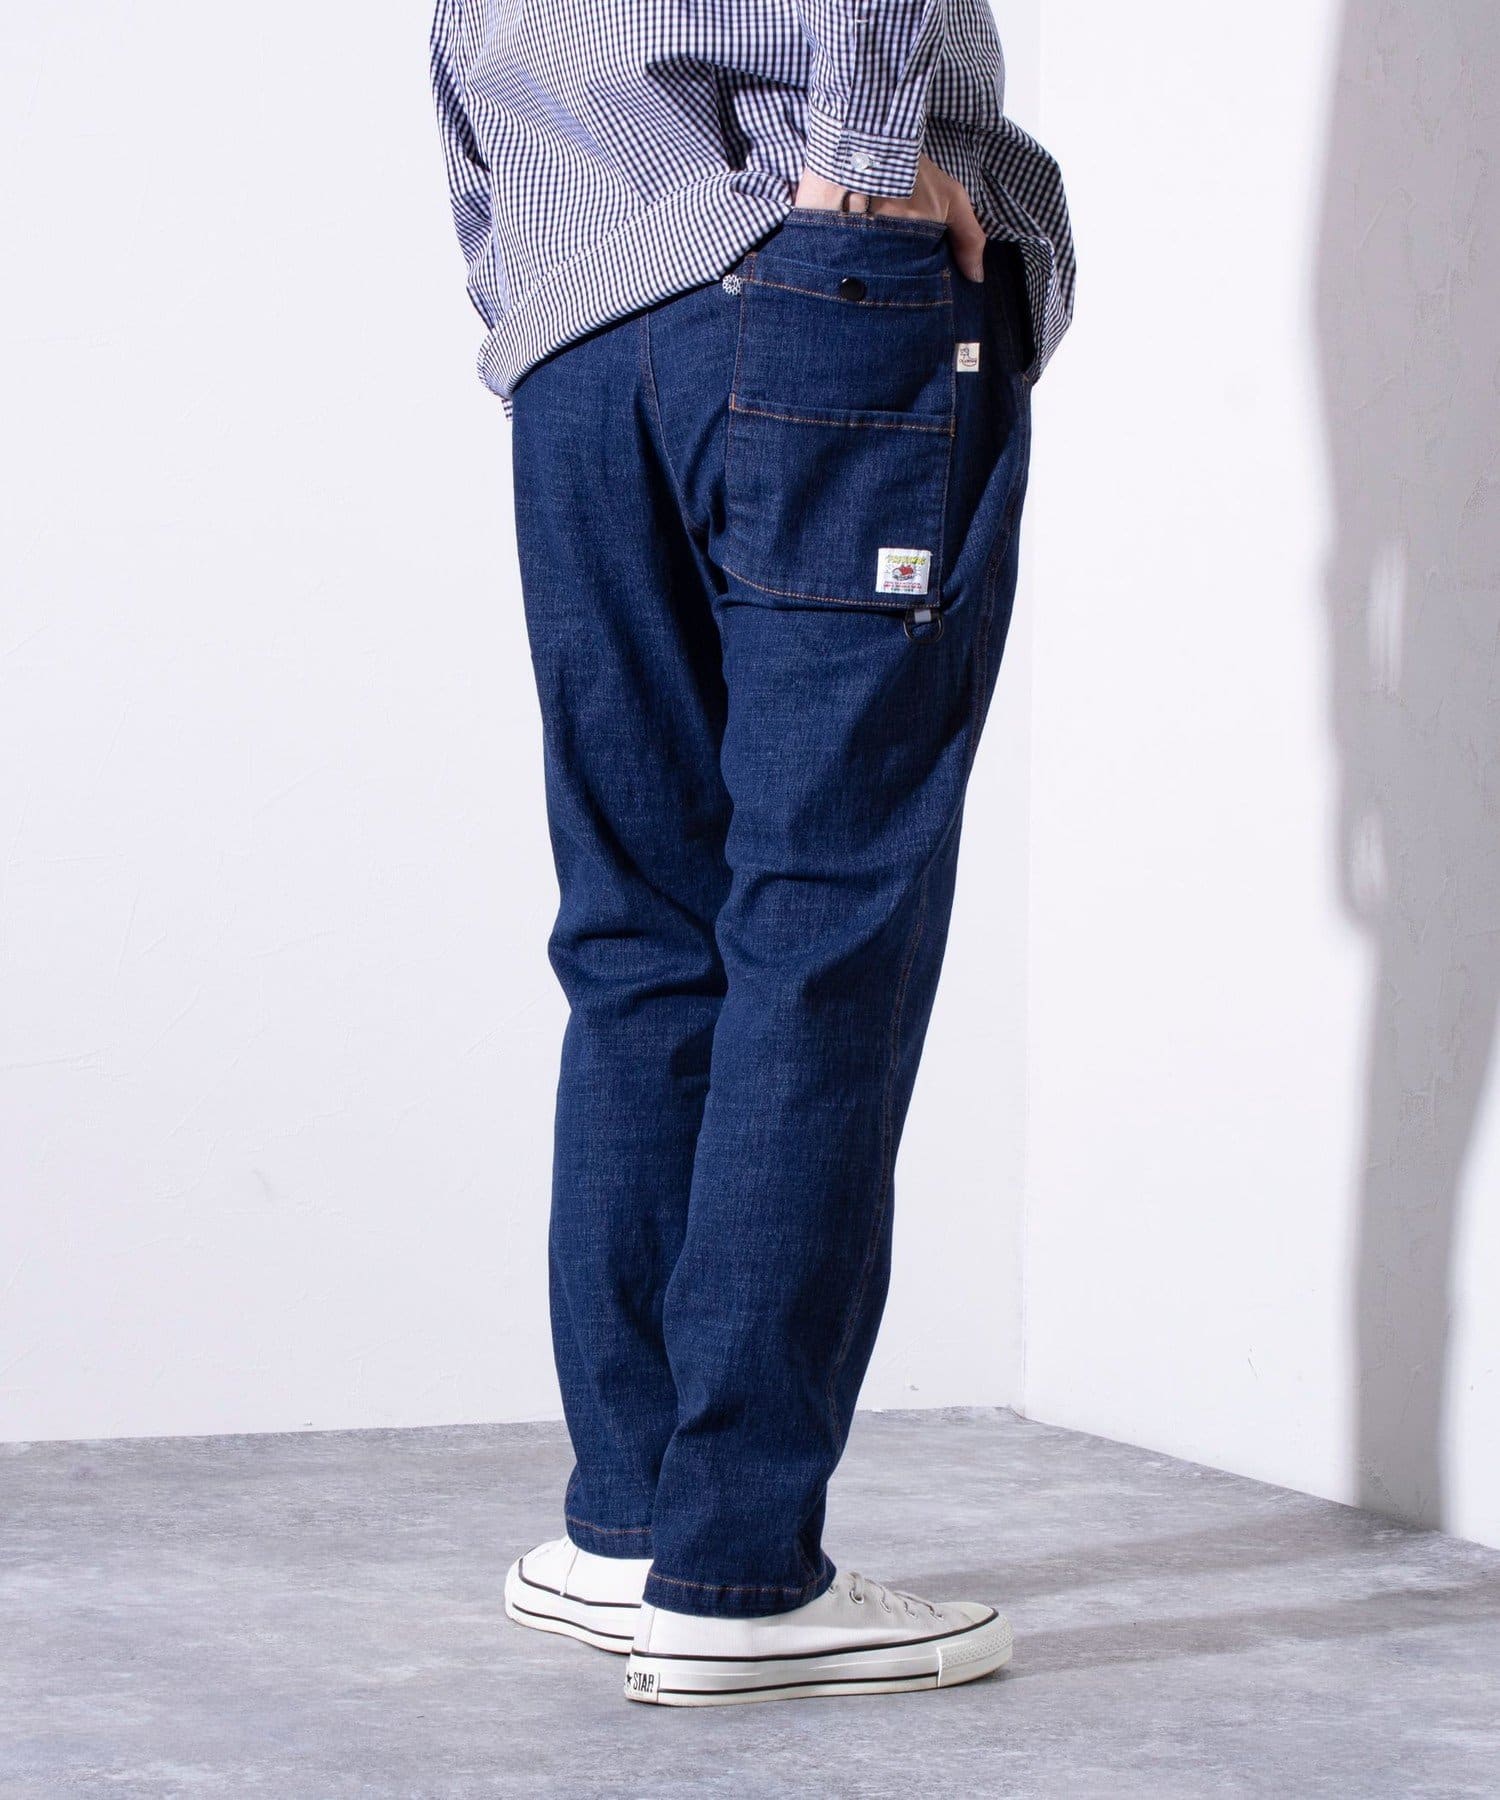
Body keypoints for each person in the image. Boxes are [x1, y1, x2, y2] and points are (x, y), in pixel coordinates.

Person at [429, 0, 1073, 1708]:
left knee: (640, 935)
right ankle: (736, 1570)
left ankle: (633, 1527)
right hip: (806, 277)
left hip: (580, 335)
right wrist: (863, 158)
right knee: (822, 928)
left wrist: (523, 276)